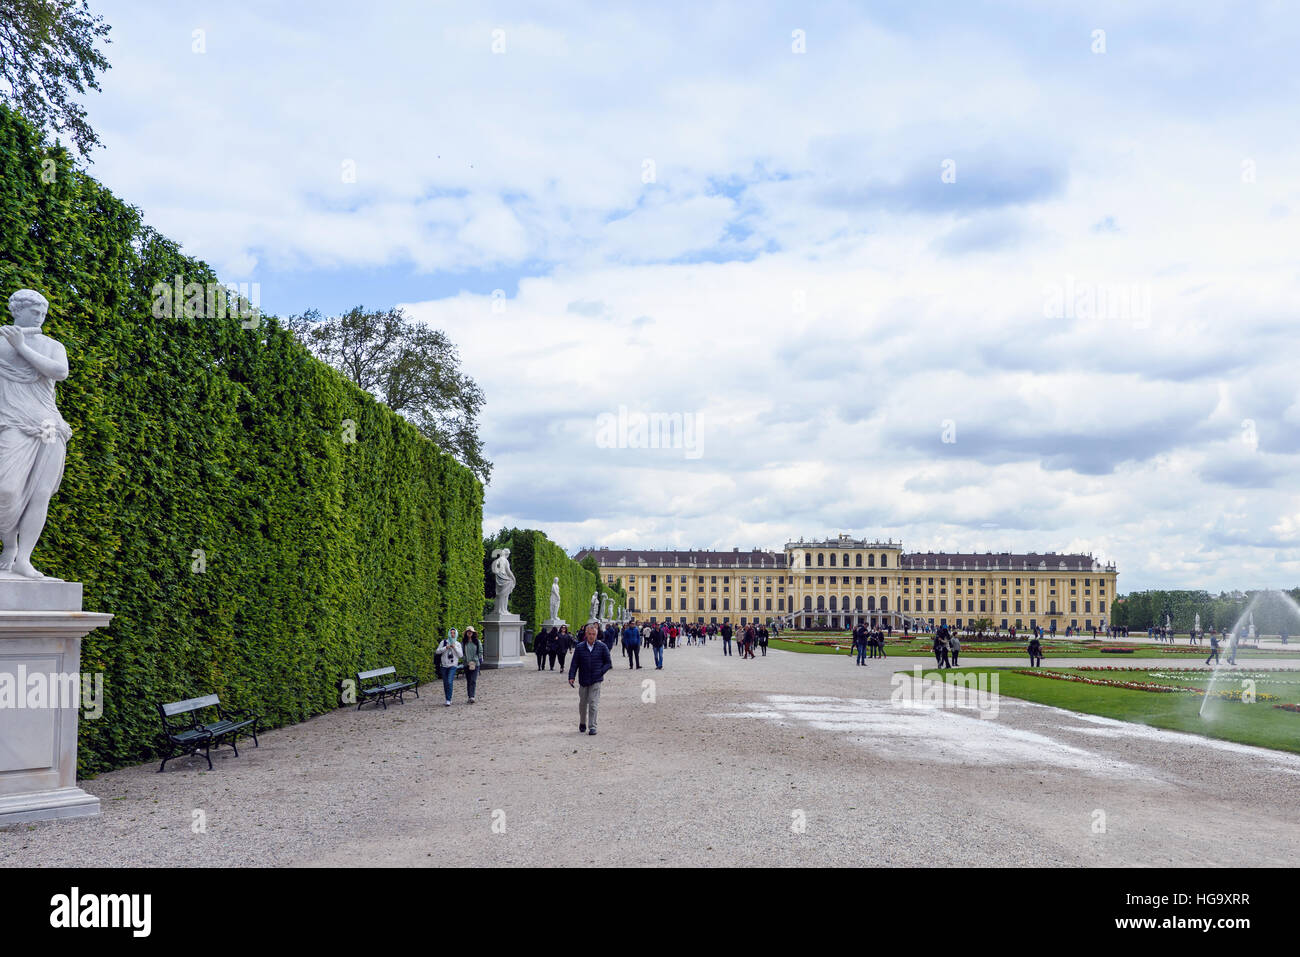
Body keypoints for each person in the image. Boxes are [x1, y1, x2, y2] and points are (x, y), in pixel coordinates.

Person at [569, 622, 613, 736]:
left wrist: (600, 672)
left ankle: (592, 726)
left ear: (596, 634)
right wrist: (571, 676)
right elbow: (574, 663)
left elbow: (608, 663)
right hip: (583, 679)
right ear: (586, 634)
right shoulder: (579, 647)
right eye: (589, 634)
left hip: (596, 679)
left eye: (593, 634)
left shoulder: (602, 647)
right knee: (583, 704)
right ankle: (582, 722)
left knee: (593, 703)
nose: (591, 636)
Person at [436, 628, 463, 705]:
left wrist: (454, 647)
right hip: (444, 665)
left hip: (453, 665)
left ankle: (449, 699)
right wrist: (446, 647)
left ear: (456, 634)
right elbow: (437, 651)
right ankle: (447, 698)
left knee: (449, 681)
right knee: (445, 683)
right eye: (451, 633)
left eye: (454, 633)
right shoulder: (444, 642)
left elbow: (461, 655)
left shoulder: (458, 644)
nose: (452, 634)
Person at [462, 626, 482, 703]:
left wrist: (474, 659)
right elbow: (462, 652)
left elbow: (480, 652)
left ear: (473, 633)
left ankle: (472, 696)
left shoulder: (477, 641)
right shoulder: (464, 642)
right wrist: (465, 659)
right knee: (468, 680)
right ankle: (469, 696)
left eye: (471, 632)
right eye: (468, 631)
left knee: (473, 680)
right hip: (466, 664)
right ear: (466, 633)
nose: (469, 633)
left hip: (475, 664)